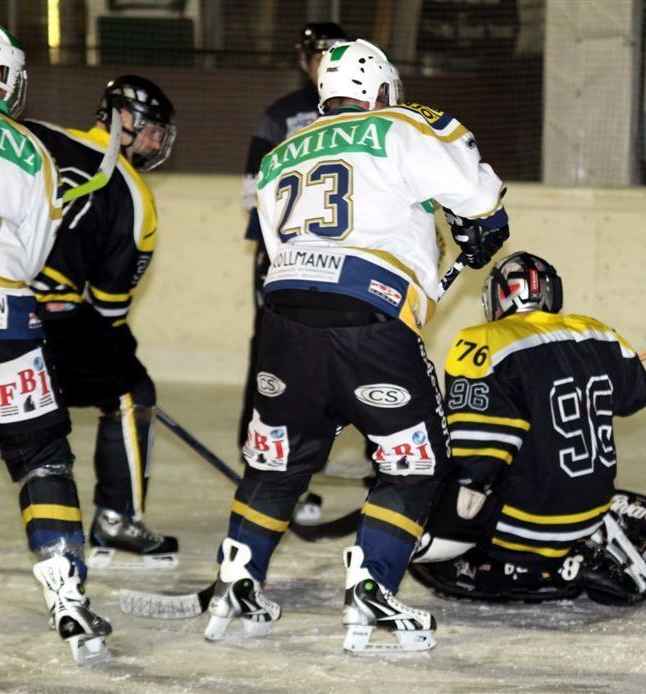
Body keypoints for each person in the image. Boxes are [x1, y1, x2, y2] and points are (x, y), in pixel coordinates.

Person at [203, 38, 509, 654]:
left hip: (283, 324)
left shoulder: (283, 150)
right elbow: (479, 197)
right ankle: (372, 584)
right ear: (380, 87)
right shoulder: (400, 123)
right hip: (368, 324)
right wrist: (484, 227)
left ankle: (238, 579)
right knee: (413, 462)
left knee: (277, 461)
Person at [409, 252, 646, 604]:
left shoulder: (482, 340)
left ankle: (545, 561)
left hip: (523, 525)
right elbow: (637, 397)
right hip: (590, 507)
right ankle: (588, 542)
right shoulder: (597, 333)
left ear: (495, 298)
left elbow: (477, 461)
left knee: (423, 500)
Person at [0, 19, 110, 664]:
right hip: (5, 317)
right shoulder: (29, 149)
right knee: (42, 460)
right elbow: (34, 254)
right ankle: (66, 595)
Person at [26, 75, 178, 569]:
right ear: (125, 120)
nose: (157, 143)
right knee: (132, 391)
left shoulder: (36, 135)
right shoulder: (133, 193)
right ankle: (118, 518)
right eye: (154, 130)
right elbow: (109, 308)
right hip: (49, 316)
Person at [237, 21, 347, 451]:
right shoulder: (282, 114)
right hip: (284, 253)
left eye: (334, 53)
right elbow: (251, 189)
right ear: (304, 61)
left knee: (353, 345)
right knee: (274, 343)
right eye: (318, 54)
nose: (325, 63)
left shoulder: (368, 114)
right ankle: (259, 445)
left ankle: (370, 454)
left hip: (348, 256)